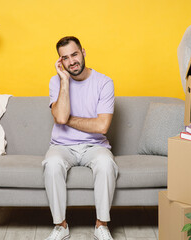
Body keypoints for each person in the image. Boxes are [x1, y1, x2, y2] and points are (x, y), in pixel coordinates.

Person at [43, 36, 118, 240]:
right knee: (51, 164)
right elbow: (59, 116)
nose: (71, 61)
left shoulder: (104, 82)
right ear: (60, 61)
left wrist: (67, 119)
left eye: (74, 54)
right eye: (65, 58)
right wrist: (64, 81)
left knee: (105, 163)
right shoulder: (55, 81)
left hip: (95, 146)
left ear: (83, 52)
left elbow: (101, 126)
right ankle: (61, 226)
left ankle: (101, 225)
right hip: (62, 146)